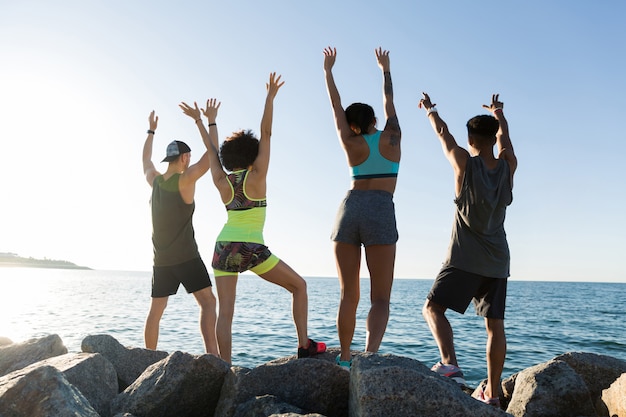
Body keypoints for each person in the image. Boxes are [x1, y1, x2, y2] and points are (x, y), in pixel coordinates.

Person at [180, 73, 326, 364]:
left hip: (224, 247)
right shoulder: (257, 176)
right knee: (299, 287)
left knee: (226, 313)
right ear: (252, 153)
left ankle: (226, 367)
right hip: (251, 248)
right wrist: (270, 98)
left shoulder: (222, 181)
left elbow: (211, 152)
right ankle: (303, 345)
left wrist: (205, 121)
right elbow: (267, 133)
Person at [418, 93, 517, 408]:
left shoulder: (463, 162)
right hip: (498, 260)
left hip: (464, 257)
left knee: (432, 308)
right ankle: (495, 396)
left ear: (472, 138)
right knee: (494, 327)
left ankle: (450, 364)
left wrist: (431, 109)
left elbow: (443, 134)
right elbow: (506, 141)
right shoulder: (507, 166)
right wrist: (498, 113)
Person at [323, 47, 401, 369]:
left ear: (353, 126)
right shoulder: (393, 137)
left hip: (350, 208)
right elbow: (389, 101)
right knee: (380, 297)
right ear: (373, 121)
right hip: (381, 209)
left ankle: (343, 359)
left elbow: (336, 107)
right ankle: (368, 357)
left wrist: (328, 72)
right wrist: (385, 69)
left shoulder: (349, 141)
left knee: (348, 295)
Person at [141, 110, 219, 356]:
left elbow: (145, 160)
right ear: (185, 157)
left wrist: (151, 131)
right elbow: (213, 152)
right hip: (186, 256)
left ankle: (147, 358)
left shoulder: (154, 180)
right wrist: (207, 121)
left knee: (156, 311)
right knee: (208, 303)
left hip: (161, 260)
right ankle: (213, 357)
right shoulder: (186, 180)